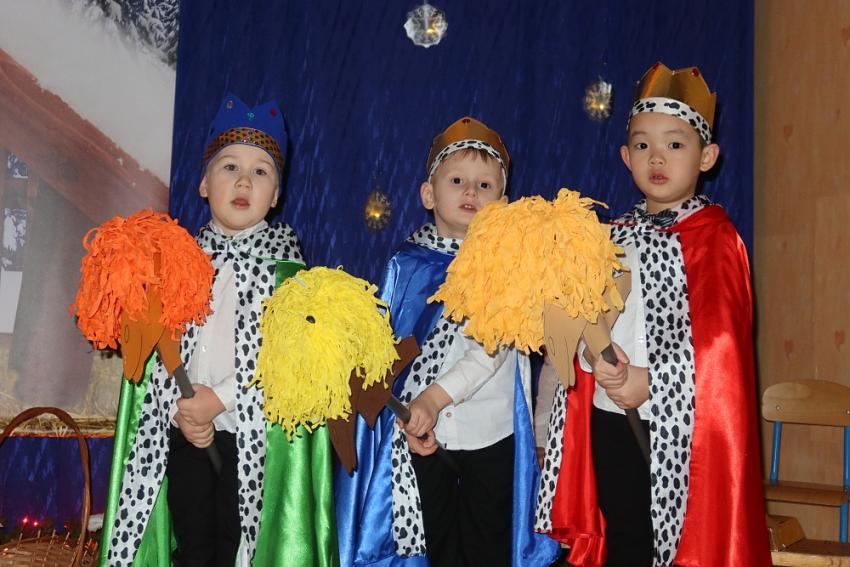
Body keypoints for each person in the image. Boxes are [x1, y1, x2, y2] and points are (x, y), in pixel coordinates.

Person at [537, 62, 772, 567]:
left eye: (675, 144)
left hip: (683, 431)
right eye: (642, 145)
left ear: (706, 157)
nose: (657, 157)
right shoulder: (610, 237)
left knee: (675, 541)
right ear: (626, 157)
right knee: (624, 534)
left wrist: (652, 381)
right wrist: (592, 358)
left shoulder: (715, 238)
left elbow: (721, 345)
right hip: (609, 415)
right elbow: (583, 314)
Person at [335, 116, 559, 567]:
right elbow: (390, 349)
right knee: (434, 545)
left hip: (490, 434)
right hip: (423, 435)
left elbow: (491, 352)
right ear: (428, 194)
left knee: (486, 546)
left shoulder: (508, 267)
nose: (470, 192)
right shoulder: (406, 264)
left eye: (485, 185)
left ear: (503, 203)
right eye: (457, 181)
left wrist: (434, 398)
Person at [106, 94, 306, 566]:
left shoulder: (289, 275)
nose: (244, 181)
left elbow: (286, 359)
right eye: (229, 167)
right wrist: (183, 411)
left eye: (260, 171)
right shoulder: (180, 264)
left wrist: (219, 399)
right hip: (186, 431)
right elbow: (159, 349)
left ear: (276, 195)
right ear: (203, 184)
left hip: (251, 438)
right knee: (192, 543)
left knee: (238, 545)